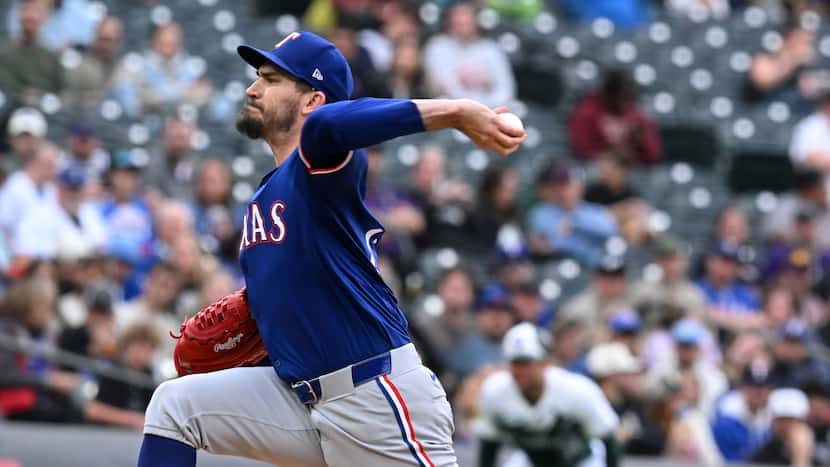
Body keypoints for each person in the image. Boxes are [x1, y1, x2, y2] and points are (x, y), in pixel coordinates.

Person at [137, 30, 525, 467]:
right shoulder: (266, 195)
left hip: (377, 399)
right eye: (256, 77)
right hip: (305, 401)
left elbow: (332, 125)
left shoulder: (320, 163)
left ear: (311, 101)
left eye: (270, 78)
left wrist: (455, 111)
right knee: (174, 406)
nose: (252, 87)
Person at [475, 323, 620, 467]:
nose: (519, 370)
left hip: (581, 461)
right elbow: (489, 444)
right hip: (531, 461)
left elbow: (608, 439)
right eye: (514, 362)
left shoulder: (577, 391)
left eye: (526, 362)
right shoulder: (495, 392)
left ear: (545, 362)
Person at [423, 2, 516, 108]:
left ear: (476, 23)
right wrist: (472, 108)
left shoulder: (491, 49)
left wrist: (486, 108)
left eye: (467, 22)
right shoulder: (438, 46)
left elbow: (506, 89)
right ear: (449, 22)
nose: (463, 27)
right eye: (458, 23)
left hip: (491, 111)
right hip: (451, 112)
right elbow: (446, 86)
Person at [113, 22, 213, 117]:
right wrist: (184, 92)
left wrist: (152, 95)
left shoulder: (191, 67)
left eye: (174, 43)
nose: (169, 47)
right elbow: (130, 106)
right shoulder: (133, 65)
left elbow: (205, 97)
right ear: (153, 41)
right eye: (164, 42)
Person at [526, 163, 618, 267]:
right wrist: (583, 240)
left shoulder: (594, 211)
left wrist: (574, 224)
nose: (561, 191)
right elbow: (544, 245)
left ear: (580, 187)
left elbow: (611, 230)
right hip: (556, 267)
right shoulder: (541, 213)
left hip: (592, 269)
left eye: (567, 186)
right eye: (557, 186)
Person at [12, 163, 107, 260]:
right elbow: (25, 249)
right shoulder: (38, 213)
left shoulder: (89, 211)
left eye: (77, 189)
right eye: (69, 189)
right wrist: (58, 250)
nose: (73, 194)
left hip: (86, 267)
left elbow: (101, 241)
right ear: (58, 187)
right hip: (50, 267)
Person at [569, 70, 662, 165]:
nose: (625, 102)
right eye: (622, 96)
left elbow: (653, 154)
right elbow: (581, 148)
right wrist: (610, 153)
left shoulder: (636, 115)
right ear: (610, 93)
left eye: (628, 97)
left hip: (632, 172)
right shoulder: (587, 112)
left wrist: (641, 141)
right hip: (595, 169)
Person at [0, 0, 63, 103]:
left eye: (34, 21)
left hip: (41, 104)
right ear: (19, 19)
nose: (30, 25)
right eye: (27, 21)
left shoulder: (50, 57)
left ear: (43, 22)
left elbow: (58, 88)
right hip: (10, 103)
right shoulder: (4, 52)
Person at [711, 365, 774, 462]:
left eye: (763, 387)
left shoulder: (774, 417)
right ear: (743, 389)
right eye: (754, 387)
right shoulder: (727, 420)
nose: (759, 392)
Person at [0, 139, 58, 243]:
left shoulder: (50, 189)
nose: (54, 170)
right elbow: (3, 226)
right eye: (49, 165)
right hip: (21, 256)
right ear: (34, 162)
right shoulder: (15, 187)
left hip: (46, 256)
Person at [62, 16, 124, 109]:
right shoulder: (78, 61)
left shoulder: (119, 68)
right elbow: (68, 95)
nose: (105, 45)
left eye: (109, 40)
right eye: (102, 39)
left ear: (118, 42)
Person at [751, 388, 815, 467]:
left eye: (791, 420)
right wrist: (800, 458)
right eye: (781, 420)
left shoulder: (821, 450)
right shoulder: (763, 454)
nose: (786, 426)